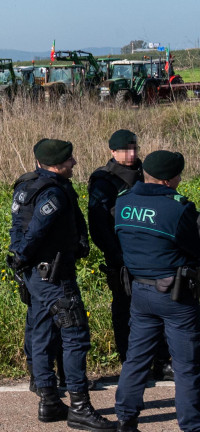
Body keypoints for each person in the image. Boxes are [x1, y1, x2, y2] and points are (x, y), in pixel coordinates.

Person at [8, 138, 116, 430]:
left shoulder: (27, 184)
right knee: (75, 335)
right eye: (69, 160)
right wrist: (22, 256)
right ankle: (80, 407)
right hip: (53, 276)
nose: (74, 163)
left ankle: (49, 400)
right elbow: (35, 232)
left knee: (42, 332)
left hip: (35, 277)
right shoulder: (52, 194)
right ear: (56, 164)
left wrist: (21, 262)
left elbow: (16, 227)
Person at [114, 150, 200, 432]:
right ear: (169, 180)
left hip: (139, 292)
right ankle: (191, 425)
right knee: (186, 365)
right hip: (176, 296)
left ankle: (126, 419)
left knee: (137, 357)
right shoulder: (178, 208)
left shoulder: (124, 202)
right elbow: (194, 248)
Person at [87, 129, 145, 364]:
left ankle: (160, 360)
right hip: (121, 255)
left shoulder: (146, 172)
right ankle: (128, 358)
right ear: (113, 151)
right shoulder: (104, 180)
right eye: (125, 150)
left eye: (134, 148)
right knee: (125, 309)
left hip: (149, 253)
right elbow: (98, 225)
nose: (131, 154)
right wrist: (115, 255)